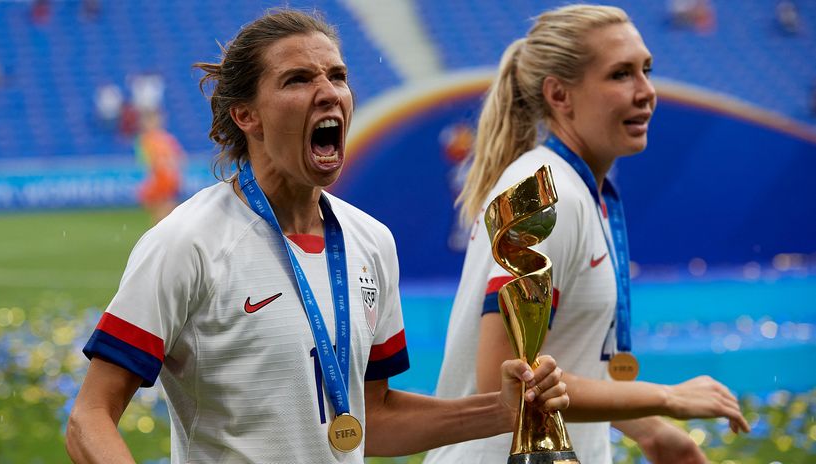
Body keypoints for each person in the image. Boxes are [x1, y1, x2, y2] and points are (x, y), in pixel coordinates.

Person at [65, 9, 569, 463]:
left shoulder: (372, 241)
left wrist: (499, 411)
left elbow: (374, 420)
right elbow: (89, 417)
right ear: (247, 115)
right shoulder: (187, 242)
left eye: (338, 76)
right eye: (298, 79)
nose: (328, 91)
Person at [424, 5, 750, 464]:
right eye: (621, 75)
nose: (647, 92)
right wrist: (667, 398)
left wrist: (652, 431)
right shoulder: (540, 194)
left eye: (646, 70)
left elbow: (564, 363)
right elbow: (508, 379)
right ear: (560, 95)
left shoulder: (574, 189)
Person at [135, 110, 184, 223]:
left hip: (165, 177)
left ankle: (164, 231)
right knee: (161, 208)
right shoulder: (146, 139)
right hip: (160, 177)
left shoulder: (162, 139)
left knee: (164, 209)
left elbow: (178, 158)